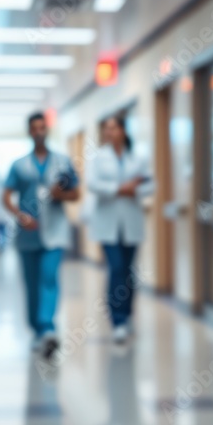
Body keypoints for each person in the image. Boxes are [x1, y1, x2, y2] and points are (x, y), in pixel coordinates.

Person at [3, 112, 80, 358]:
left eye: (42, 128)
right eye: (34, 128)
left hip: (55, 231)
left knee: (48, 277)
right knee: (31, 283)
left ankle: (47, 328)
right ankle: (36, 330)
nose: (39, 132)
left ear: (47, 130)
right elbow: (6, 196)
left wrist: (61, 195)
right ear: (29, 132)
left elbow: (76, 194)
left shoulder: (63, 162)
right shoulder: (19, 165)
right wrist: (19, 215)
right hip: (28, 233)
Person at [86, 116, 154, 343]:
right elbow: (92, 184)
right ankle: (118, 321)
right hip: (107, 224)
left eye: (113, 128)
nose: (109, 132)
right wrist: (119, 188)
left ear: (123, 130)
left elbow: (151, 184)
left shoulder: (138, 157)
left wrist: (135, 190)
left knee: (128, 272)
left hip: (131, 223)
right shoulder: (98, 158)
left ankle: (128, 314)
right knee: (116, 268)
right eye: (106, 128)